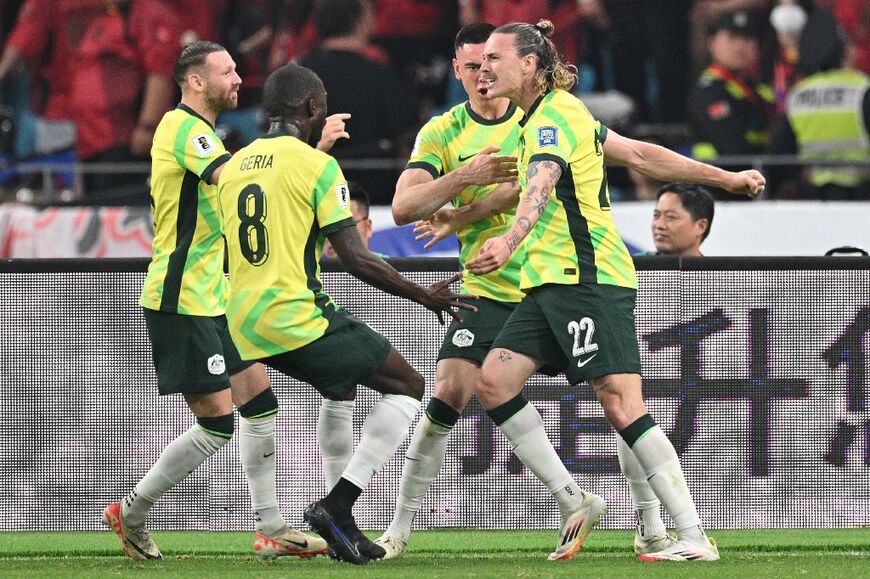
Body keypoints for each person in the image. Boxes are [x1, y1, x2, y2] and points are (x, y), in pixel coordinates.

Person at [467, 20, 765, 562]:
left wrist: (509, 241)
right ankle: (576, 499)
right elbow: (645, 157)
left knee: (622, 403)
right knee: (493, 382)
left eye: (494, 58)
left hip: (586, 279)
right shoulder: (558, 114)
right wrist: (726, 178)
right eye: (481, 60)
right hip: (549, 284)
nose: (483, 68)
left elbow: (540, 183)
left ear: (529, 64)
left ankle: (692, 534)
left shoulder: (552, 119)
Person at [216, 62, 476, 565]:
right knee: (407, 386)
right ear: (313, 107)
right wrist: (425, 295)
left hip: (241, 320)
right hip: (294, 316)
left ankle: (308, 519)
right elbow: (356, 258)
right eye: (325, 102)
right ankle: (338, 505)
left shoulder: (236, 166)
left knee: (337, 387)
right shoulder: (318, 167)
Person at [102, 40, 328, 562]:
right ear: (196, 81)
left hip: (217, 297)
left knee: (261, 403)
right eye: (227, 72)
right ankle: (132, 512)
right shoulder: (181, 128)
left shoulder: (204, 132)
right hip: (184, 297)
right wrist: (310, 158)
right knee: (218, 422)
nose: (238, 79)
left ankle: (271, 528)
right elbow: (241, 182)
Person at [769, 8, 870, 200]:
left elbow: (779, 155)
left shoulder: (797, 95)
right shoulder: (862, 89)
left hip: (813, 197)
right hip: (862, 198)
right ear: (844, 51)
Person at [688, 10, 775, 161]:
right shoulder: (708, 91)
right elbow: (733, 148)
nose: (739, 47)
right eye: (732, 37)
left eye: (748, 39)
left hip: (758, 178)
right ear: (712, 43)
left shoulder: (761, 90)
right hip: (716, 179)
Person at [651, 184, 716, 256]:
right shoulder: (637, 264)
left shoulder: (715, 267)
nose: (659, 225)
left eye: (671, 217)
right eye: (656, 215)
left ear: (701, 226)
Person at [323, 182, 375, 258]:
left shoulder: (390, 268)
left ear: (368, 227)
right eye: (329, 225)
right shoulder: (308, 269)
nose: (337, 235)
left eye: (347, 225)